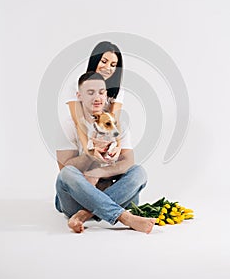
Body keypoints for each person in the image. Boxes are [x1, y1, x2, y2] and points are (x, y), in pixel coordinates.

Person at [55, 71, 156, 234]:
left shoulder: (116, 125)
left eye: (101, 92)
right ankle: (124, 217)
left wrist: (99, 171)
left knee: (139, 172)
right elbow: (65, 170)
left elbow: (128, 162)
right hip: (76, 200)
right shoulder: (68, 125)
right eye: (90, 93)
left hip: (106, 192)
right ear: (79, 95)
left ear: (107, 94)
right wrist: (90, 156)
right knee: (67, 174)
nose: (97, 98)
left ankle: (84, 215)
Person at [65, 41, 124, 163]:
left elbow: (114, 121)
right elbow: (79, 122)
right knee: (69, 173)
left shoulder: (118, 91)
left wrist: (118, 147)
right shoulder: (76, 85)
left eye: (113, 65)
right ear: (95, 60)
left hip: (105, 140)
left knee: (137, 173)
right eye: (104, 61)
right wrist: (90, 151)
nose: (108, 68)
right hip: (82, 140)